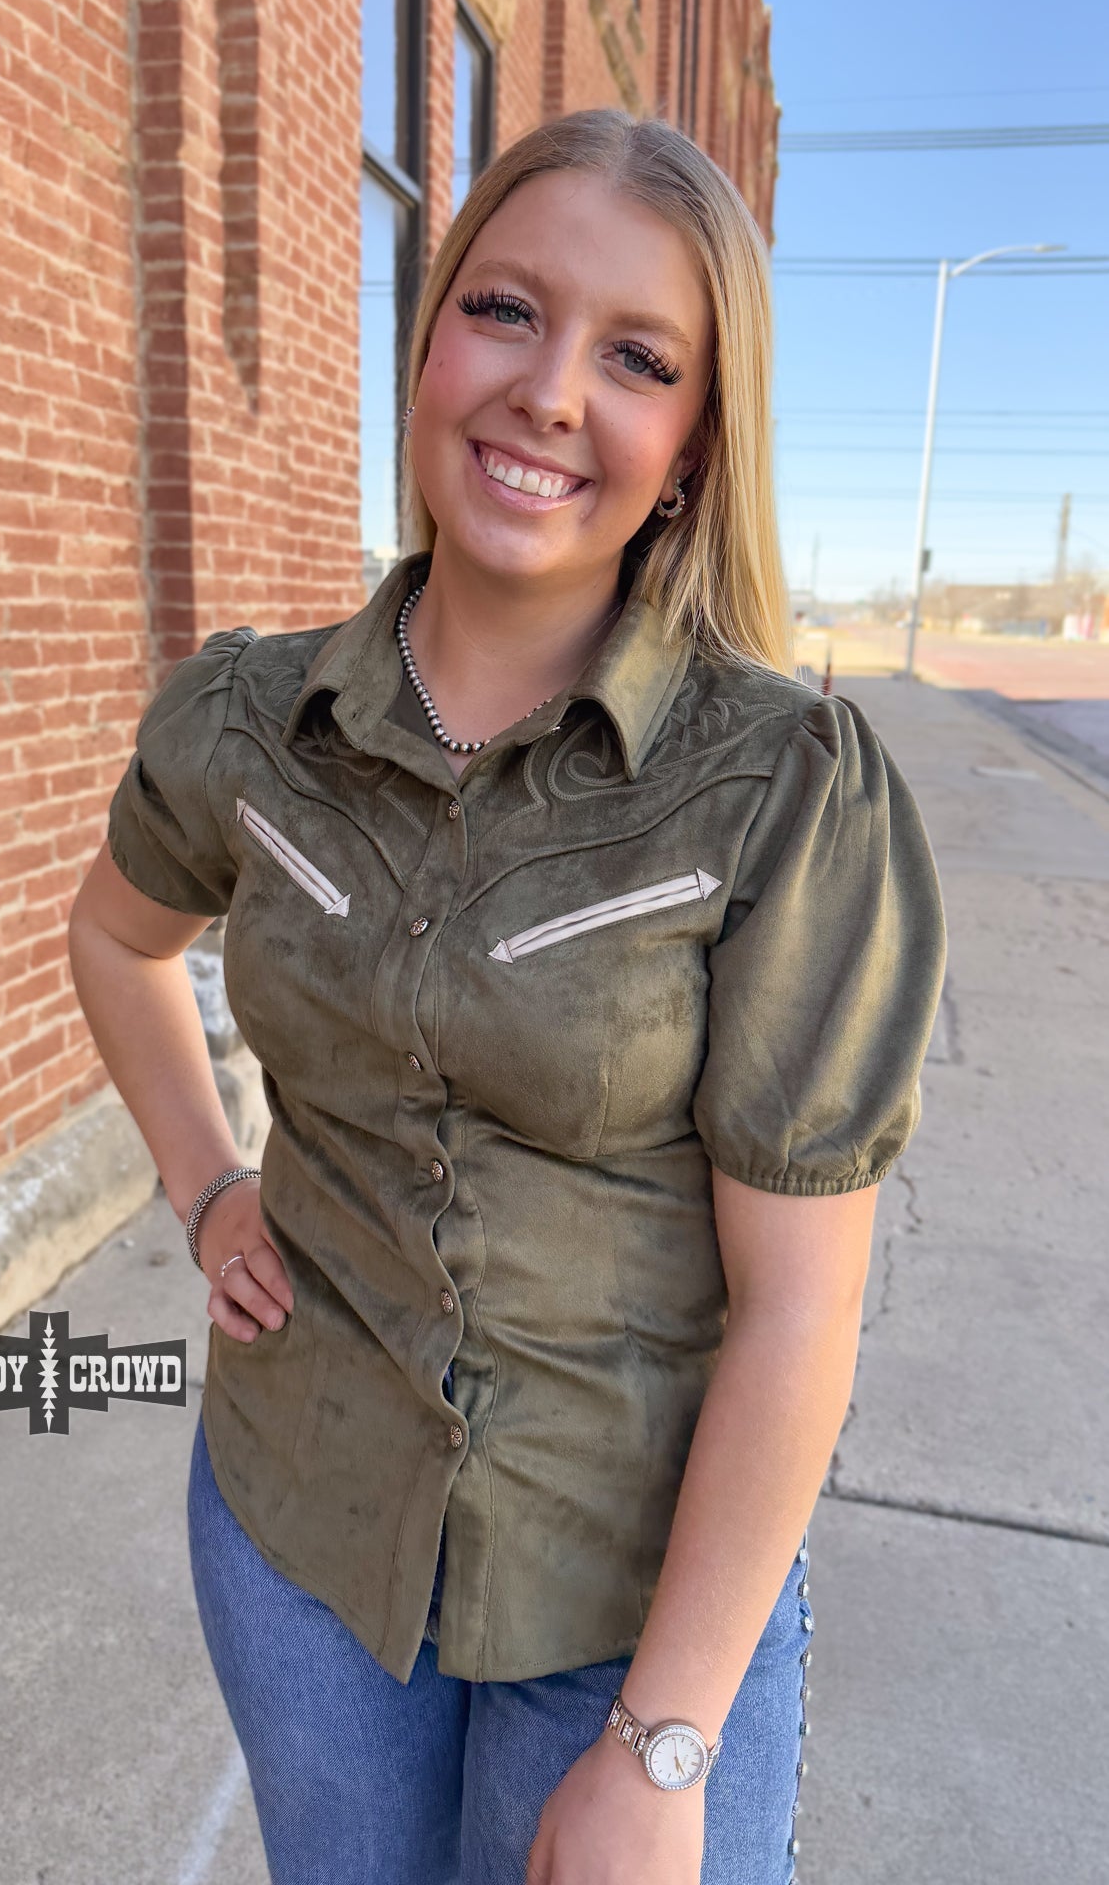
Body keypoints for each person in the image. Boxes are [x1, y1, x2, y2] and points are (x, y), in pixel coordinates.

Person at [67, 108, 946, 1885]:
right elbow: (116, 939)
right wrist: (208, 1185)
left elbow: (799, 1313)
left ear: (691, 446)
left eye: (636, 359)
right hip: (303, 1540)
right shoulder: (245, 725)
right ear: (428, 341)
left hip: (627, 1610)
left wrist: (663, 1744)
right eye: (505, 311)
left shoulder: (781, 791)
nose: (549, 393)